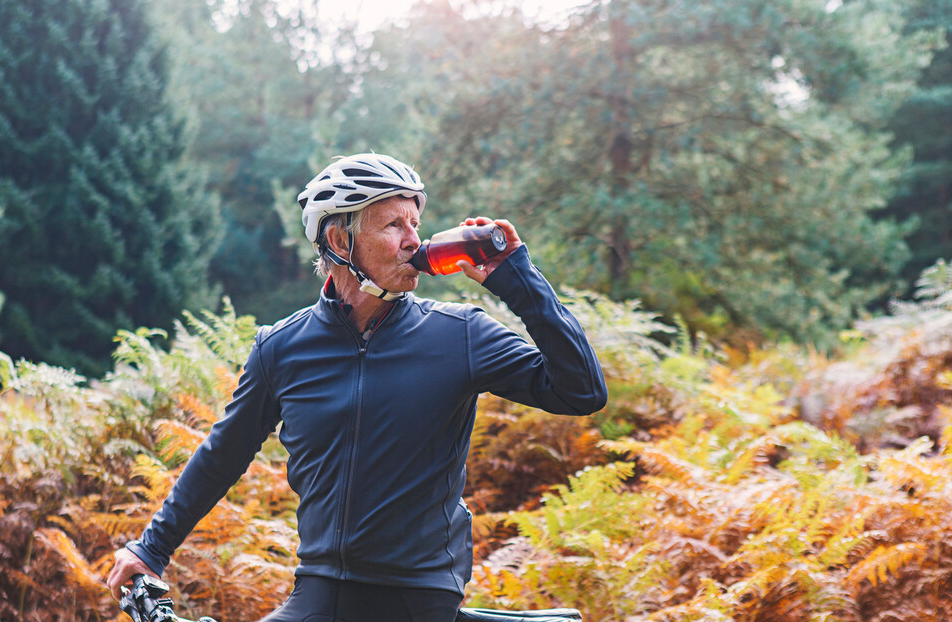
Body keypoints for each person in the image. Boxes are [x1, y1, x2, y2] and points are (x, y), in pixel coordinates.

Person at [106, 153, 608, 621]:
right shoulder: (281, 348)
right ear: (340, 241)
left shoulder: (460, 335)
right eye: (394, 225)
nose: (413, 240)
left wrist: (518, 278)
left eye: (415, 224)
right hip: (320, 591)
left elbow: (581, 390)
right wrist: (150, 550)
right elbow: (224, 454)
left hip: (420, 596)